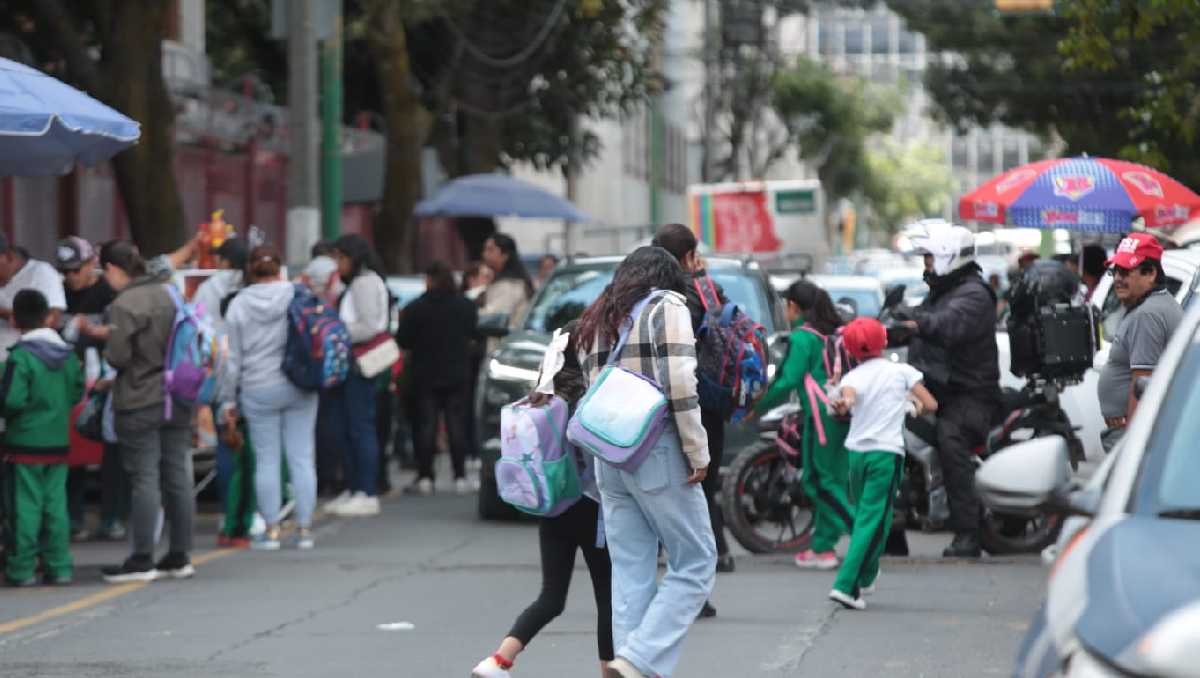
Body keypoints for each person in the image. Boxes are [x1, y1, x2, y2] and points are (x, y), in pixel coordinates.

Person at [576, 246, 715, 678]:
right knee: (695, 560)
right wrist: (697, 448)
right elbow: (679, 380)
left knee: (631, 570)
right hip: (657, 448)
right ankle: (639, 658)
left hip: (609, 452)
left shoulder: (601, 312)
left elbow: (591, 381)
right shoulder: (667, 306)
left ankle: (631, 663)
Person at [471, 321, 613, 678]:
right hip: (590, 506)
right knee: (607, 599)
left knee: (551, 597)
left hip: (552, 505)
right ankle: (608, 670)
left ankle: (498, 660)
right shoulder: (588, 400)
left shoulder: (543, 398)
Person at [99, 241, 197, 583]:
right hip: (178, 396)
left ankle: (142, 558)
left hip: (140, 397)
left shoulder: (126, 302)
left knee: (144, 478)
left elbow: (117, 357)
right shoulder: (171, 293)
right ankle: (179, 555)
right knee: (177, 475)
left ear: (113, 269)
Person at [901, 222, 1000, 559]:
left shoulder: (973, 295)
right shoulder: (945, 290)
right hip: (940, 385)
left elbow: (944, 324)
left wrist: (914, 321)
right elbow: (924, 319)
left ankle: (968, 535)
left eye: (930, 257)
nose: (926, 264)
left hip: (968, 393)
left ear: (948, 256)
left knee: (950, 440)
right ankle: (893, 531)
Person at [828, 317, 937, 610]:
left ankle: (867, 574)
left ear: (850, 351)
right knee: (872, 520)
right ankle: (846, 585)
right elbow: (931, 404)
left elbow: (847, 401)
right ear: (885, 342)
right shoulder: (902, 372)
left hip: (856, 457)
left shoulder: (852, 378)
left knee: (874, 517)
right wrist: (911, 407)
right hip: (885, 456)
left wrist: (843, 403)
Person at [652, 223, 734, 609]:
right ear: (689, 257)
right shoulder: (696, 293)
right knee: (698, 491)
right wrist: (702, 280)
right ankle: (699, 583)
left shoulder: (634, 293)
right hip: (697, 404)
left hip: (643, 410)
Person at [221, 245, 319, 550]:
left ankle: (272, 529)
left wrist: (227, 400)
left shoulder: (238, 304)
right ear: (280, 269)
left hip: (257, 387)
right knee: (301, 457)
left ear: (250, 270)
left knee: (267, 460)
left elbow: (232, 359)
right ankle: (304, 530)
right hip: (300, 384)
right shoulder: (298, 295)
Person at [753, 280, 854, 570]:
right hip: (838, 412)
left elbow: (788, 379)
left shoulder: (802, 338)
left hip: (820, 416)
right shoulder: (828, 333)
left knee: (817, 480)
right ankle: (823, 547)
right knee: (831, 479)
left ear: (794, 307)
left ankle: (862, 534)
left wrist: (755, 406)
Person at [1, 290, 85, 587]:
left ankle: (22, 568)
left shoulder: (20, 357)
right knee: (55, 505)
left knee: (24, 507)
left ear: (14, 319)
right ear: (49, 316)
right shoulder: (68, 355)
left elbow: (10, 400)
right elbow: (76, 393)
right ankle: (59, 565)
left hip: (23, 443)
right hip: (57, 442)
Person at [56, 237, 126, 542]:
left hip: (101, 381)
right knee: (71, 453)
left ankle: (112, 517)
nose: (70, 277)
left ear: (91, 265)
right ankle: (73, 517)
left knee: (110, 451)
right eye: (65, 271)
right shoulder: (56, 294)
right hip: (66, 381)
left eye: (76, 270)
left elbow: (120, 335)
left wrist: (93, 332)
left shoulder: (107, 293)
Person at [396, 261, 478, 495]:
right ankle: (460, 475)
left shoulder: (415, 308)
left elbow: (403, 340)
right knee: (456, 425)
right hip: (457, 373)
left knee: (425, 426)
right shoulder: (465, 306)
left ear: (430, 280)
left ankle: (425, 476)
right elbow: (475, 334)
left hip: (425, 375)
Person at [324, 234, 391, 518]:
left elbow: (367, 326)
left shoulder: (364, 283)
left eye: (341, 257)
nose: (337, 264)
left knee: (359, 428)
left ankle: (365, 491)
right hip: (351, 362)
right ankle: (354, 489)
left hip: (358, 362)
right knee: (348, 427)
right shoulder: (360, 282)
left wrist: (333, 331)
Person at [1096, 233, 1182, 452]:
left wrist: (1133, 448)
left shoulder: (1148, 315)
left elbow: (1142, 385)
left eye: (1125, 272)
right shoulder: (1155, 305)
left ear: (1150, 273)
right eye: (1115, 271)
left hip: (1130, 433)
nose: (1117, 279)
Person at [0, 234, 67, 359]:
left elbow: (51, 321)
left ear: (8, 257)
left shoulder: (41, 273)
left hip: (29, 362)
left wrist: (10, 314)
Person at [481, 234, 534, 335]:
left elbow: (493, 318)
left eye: (490, 250)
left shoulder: (510, 284)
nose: (485, 254)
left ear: (505, 255)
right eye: (485, 249)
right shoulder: (502, 281)